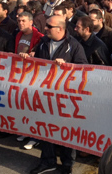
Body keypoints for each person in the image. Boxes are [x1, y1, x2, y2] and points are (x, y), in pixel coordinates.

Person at [29, 16, 87, 174]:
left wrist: (68, 67)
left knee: (66, 129)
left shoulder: (74, 46)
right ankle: (48, 161)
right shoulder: (44, 42)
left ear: (60, 29)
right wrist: (29, 59)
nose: (45, 28)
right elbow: (38, 63)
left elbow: (83, 69)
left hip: (65, 97)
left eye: (49, 26)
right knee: (46, 126)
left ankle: (67, 164)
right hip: (46, 94)